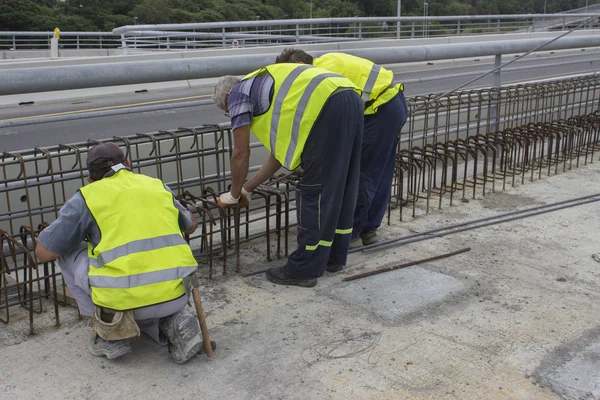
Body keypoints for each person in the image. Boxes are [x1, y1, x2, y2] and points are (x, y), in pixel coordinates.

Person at [34, 142, 204, 364]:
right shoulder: (155, 185)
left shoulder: (87, 197)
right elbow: (190, 225)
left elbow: (44, 252)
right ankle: (173, 320)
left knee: (65, 253)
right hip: (178, 294)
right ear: (128, 164)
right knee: (151, 286)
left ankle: (108, 331)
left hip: (124, 300)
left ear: (90, 179)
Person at [213, 63, 364, 287]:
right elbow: (279, 156)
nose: (232, 114)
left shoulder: (238, 93)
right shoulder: (268, 90)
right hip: (349, 96)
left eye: (228, 111)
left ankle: (304, 269)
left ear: (227, 96)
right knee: (341, 184)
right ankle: (333, 257)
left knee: (316, 192)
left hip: (326, 106)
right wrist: (247, 188)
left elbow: (240, 153)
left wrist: (233, 194)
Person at [275, 49, 409, 268]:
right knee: (380, 171)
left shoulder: (321, 73)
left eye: (292, 73)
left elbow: (325, 120)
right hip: (391, 104)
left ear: (300, 63)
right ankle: (369, 229)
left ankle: (352, 234)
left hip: (380, 109)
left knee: (362, 174)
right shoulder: (328, 61)